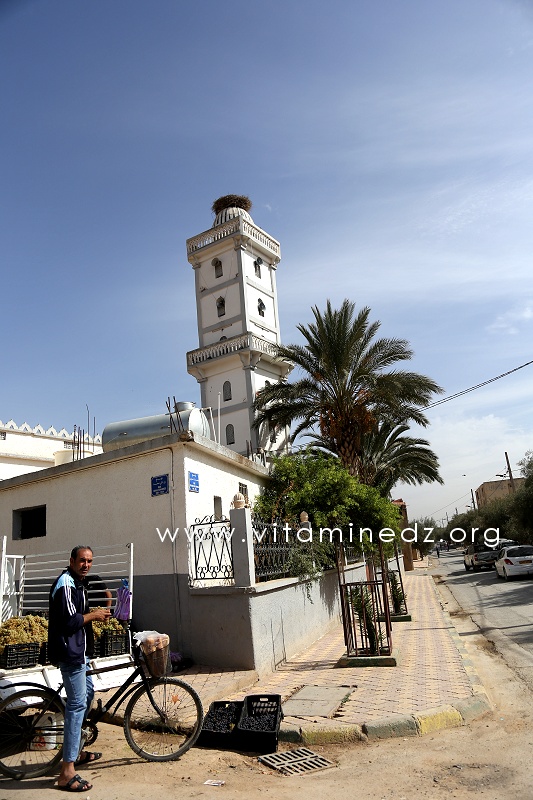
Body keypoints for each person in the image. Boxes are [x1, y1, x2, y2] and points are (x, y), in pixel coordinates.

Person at [48, 545, 111, 792]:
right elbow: (70, 622)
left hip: (80, 653)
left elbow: (79, 616)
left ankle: (77, 751)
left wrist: (96, 615)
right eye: (82, 560)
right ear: (72, 560)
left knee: (86, 695)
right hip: (70, 654)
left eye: (90, 561)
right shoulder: (65, 584)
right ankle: (66, 772)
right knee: (76, 706)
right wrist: (94, 615)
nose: (86, 565)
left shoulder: (78, 584)